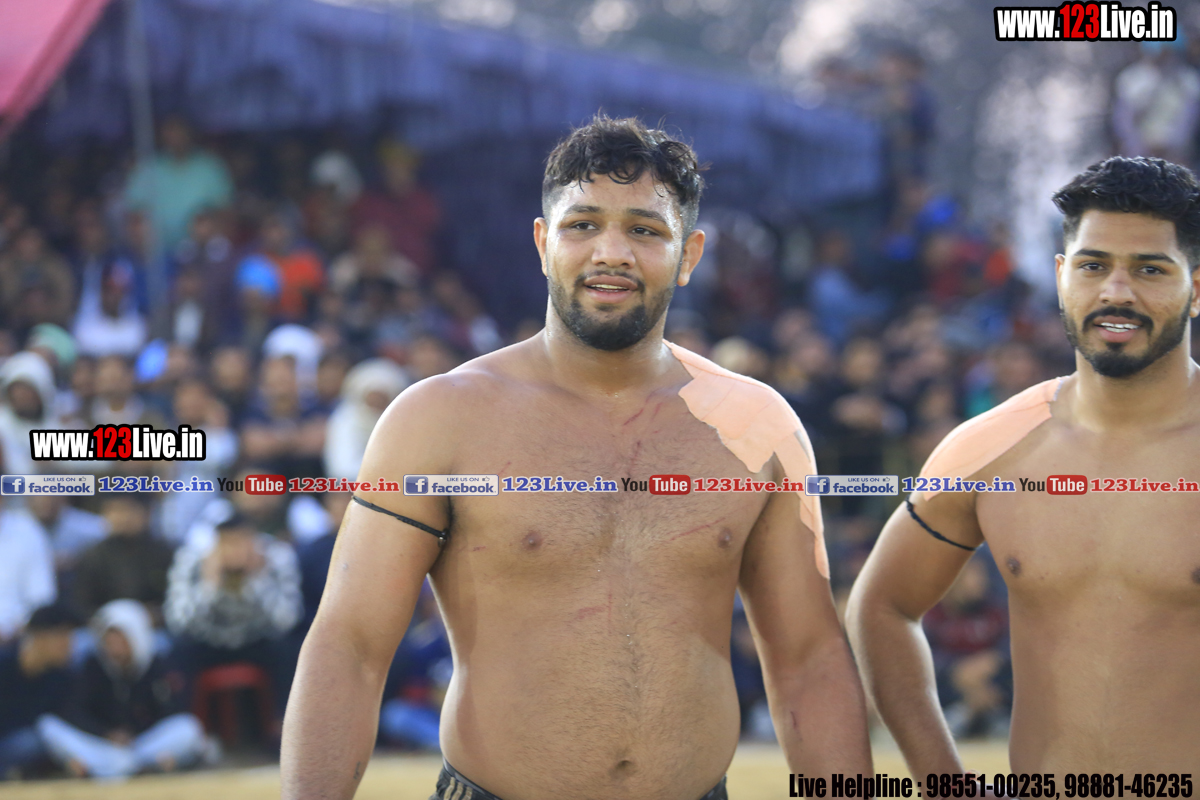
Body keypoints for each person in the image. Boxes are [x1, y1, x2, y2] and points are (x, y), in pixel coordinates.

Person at [282, 115, 871, 800]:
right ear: (543, 243)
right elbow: (350, 646)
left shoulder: (756, 427)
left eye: (644, 230)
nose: (610, 252)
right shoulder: (438, 419)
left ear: (689, 255)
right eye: (582, 225)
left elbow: (808, 660)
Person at [847, 156, 1200, 773]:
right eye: (1093, 265)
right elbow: (880, 607)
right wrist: (944, 783)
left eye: (1150, 269)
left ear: (1196, 288)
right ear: (1062, 276)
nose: (1116, 292)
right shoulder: (991, 447)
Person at [37, 600, 209, 778]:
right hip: (104, 746)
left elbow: (169, 712)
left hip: (140, 745)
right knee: (48, 726)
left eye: (121, 640)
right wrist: (107, 734)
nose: (114, 649)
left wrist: (133, 734)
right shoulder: (94, 666)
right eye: (109, 641)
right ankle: (128, 766)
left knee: (188, 727)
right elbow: (77, 711)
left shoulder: (155, 666)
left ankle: (110, 768)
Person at [0, 604, 79, 779]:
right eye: (62, 635)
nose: (68, 644)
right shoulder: (4, 667)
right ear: (39, 637)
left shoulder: (61, 677)